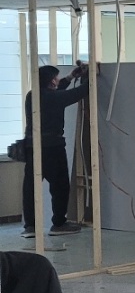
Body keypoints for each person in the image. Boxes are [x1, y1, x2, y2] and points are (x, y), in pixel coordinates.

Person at [20, 62, 90, 239]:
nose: (58, 80)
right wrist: (91, 77)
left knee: (30, 187)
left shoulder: (32, 96)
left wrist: (71, 77)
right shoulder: (53, 98)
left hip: (32, 147)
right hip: (52, 147)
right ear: (51, 81)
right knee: (60, 187)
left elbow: (58, 92)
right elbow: (78, 93)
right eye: (56, 78)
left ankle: (30, 227)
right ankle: (59, 223)